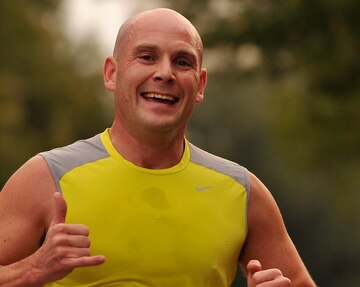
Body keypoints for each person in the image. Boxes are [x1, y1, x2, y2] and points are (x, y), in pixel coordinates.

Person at [0, 8, 316, 287]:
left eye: (182, 62)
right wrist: (33, 268)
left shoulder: (243, 192)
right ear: (112, 73)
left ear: (201, 85)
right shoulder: (45, 178)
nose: (165, 73)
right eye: (147, 57)